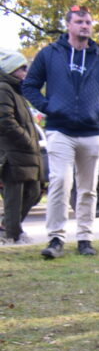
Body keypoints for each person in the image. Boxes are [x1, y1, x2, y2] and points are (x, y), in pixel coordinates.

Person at [23, 5, 99, 258]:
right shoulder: (49, 55)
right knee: (60, 182)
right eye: (79, 21)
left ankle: (85, 238)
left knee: (88, 188)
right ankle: (56, 238)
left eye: (88, 22)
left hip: (92, 132)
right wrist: (48, 107)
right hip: (60, 130)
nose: (85, 26)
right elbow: (30, 85)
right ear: (68, 25)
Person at [0, 50, 44, 245]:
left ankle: (8, 228)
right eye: (22, 68)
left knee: (34, 192)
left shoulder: (17, 90)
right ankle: (11, 234)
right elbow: (5, 121)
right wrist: (26, 139)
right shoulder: (4, 89)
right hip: (12, 153)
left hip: (26, 153)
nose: (26, 72)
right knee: (14, 196)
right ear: (11, 69)